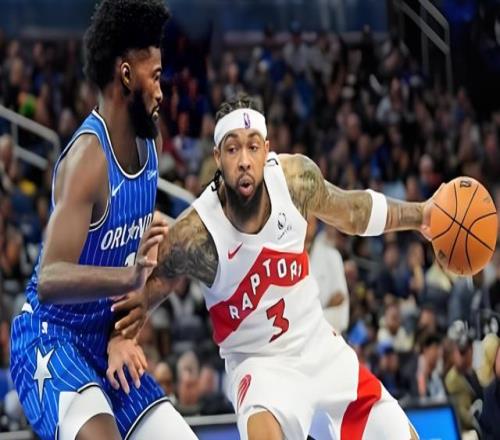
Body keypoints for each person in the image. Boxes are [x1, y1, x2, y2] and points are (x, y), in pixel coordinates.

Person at [113, 94, 434, 439]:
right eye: (232, 149)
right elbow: (141, 298)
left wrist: (421, 215)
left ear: (266, 150)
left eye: (253, 147)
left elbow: (353, 212)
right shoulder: (196, 234)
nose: (244, 161)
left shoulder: (295, 181)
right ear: (217, 157)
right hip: (259, 366)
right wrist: (118, 338)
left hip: (318, 347)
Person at [9, 1, 196, 439]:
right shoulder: (87, 159)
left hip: (103, 339)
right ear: (126, 76)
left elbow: (150, 253)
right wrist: (128, 279)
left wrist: (124, 331)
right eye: (155, 77)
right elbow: (50, 278)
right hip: (50, 336)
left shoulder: (150, 144)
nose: (161, 92)